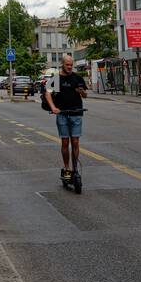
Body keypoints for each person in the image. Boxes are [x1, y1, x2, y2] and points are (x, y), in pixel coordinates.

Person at [45, 53, 88, 186]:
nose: (69, 67)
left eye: (71, 65)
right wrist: (53, 107)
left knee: (75, 141)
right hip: (62, 114)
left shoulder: (77, 78)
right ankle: (67, 168)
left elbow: (85, 95)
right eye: (67, 65)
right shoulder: (56, 79)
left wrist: (81, 92)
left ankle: (75, 168)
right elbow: (48, 93)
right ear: (62, 64)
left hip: (76, 113)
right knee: (65, 142)